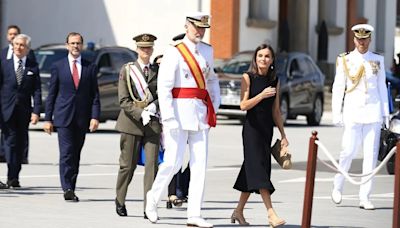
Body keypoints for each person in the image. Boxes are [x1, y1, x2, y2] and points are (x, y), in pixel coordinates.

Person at [145, 12, 220, 228]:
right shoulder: (174, 51)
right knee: (172, 162)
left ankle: (194, 214)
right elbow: (164, 87)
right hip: (178, 113)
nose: (199, 32)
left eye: (203, 28)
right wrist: (168, 117)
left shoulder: (208, 51)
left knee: (200, 166)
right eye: (196, 27)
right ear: (186, 26)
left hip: (200, 114)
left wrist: (214, 105)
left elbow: (212, 79)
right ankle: (153, 197)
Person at [331, 24, 389, 210]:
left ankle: (365, 196)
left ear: (369, 39)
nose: (362, 42)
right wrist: (336, 113)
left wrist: (385, 113)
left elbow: (381, 87)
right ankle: (338, 185)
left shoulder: (377, 60)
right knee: (347, 151)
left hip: (373, 112)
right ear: (354, 40)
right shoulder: (345, 60)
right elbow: (338, 87)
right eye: (359, 39)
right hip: (353, 112)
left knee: (370, 156)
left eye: (365, 39)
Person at [231, 44, 287, 227]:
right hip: (251, 130)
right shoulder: (248, 77)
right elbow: (243, 105)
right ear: (255, 59)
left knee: (252, 170)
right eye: (260, 56)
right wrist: (261, 95)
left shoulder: (275, 80)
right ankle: (271, 214)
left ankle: (238, 211)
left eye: (267, 56)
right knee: (260, 171)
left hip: (266, 131)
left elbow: (276, 110)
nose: (263, 59)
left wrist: (283, 134)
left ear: (272, 60)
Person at [43, 32, 100, 202]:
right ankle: (67, 188)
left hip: (82, 119)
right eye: (72, 43)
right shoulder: (58, 66)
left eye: (78, 43)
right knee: (66, 153)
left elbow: (94, 95)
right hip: (64, 117)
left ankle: (72, 186)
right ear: (67, 45)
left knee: (76, 154)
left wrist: (95, 116)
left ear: (82, 46)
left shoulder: (90, 67)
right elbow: (52, 94)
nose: (75, 46)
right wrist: (47, 119)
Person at [114, 33, 161, 218]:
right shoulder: (127, 70)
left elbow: (162, 94)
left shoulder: (159, 70)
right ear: (137, 49)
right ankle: (120, 199)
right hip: (131, 123)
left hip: (153, 125)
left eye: (148, 48)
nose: (146, 51)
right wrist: (141, 113)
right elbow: (124, 101)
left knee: (152, 167)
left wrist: (154, 106)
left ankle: (148, 207)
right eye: (142, 48)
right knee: (128, 165)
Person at [0, 34, 42, 188]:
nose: (18, 47)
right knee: (10, 141)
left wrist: (36, 111)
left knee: (20, 144)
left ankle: (15, 175)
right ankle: (12, 176)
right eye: (16, 44)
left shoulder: (32, 66)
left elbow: (37, 91)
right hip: (6, 110)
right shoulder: (4, 63)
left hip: (24, 112)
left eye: (21, 45)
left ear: (27, 48)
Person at [0, 25, 36, 164]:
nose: (12, 36)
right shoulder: (3, 54)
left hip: (22, 103)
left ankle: (22, 156)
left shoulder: (28, 54)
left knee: (21, 134)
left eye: (15, 34)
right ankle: (4, 154)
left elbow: (33, 78)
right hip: (7, 103)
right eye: (10, 34)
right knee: (7, 133)